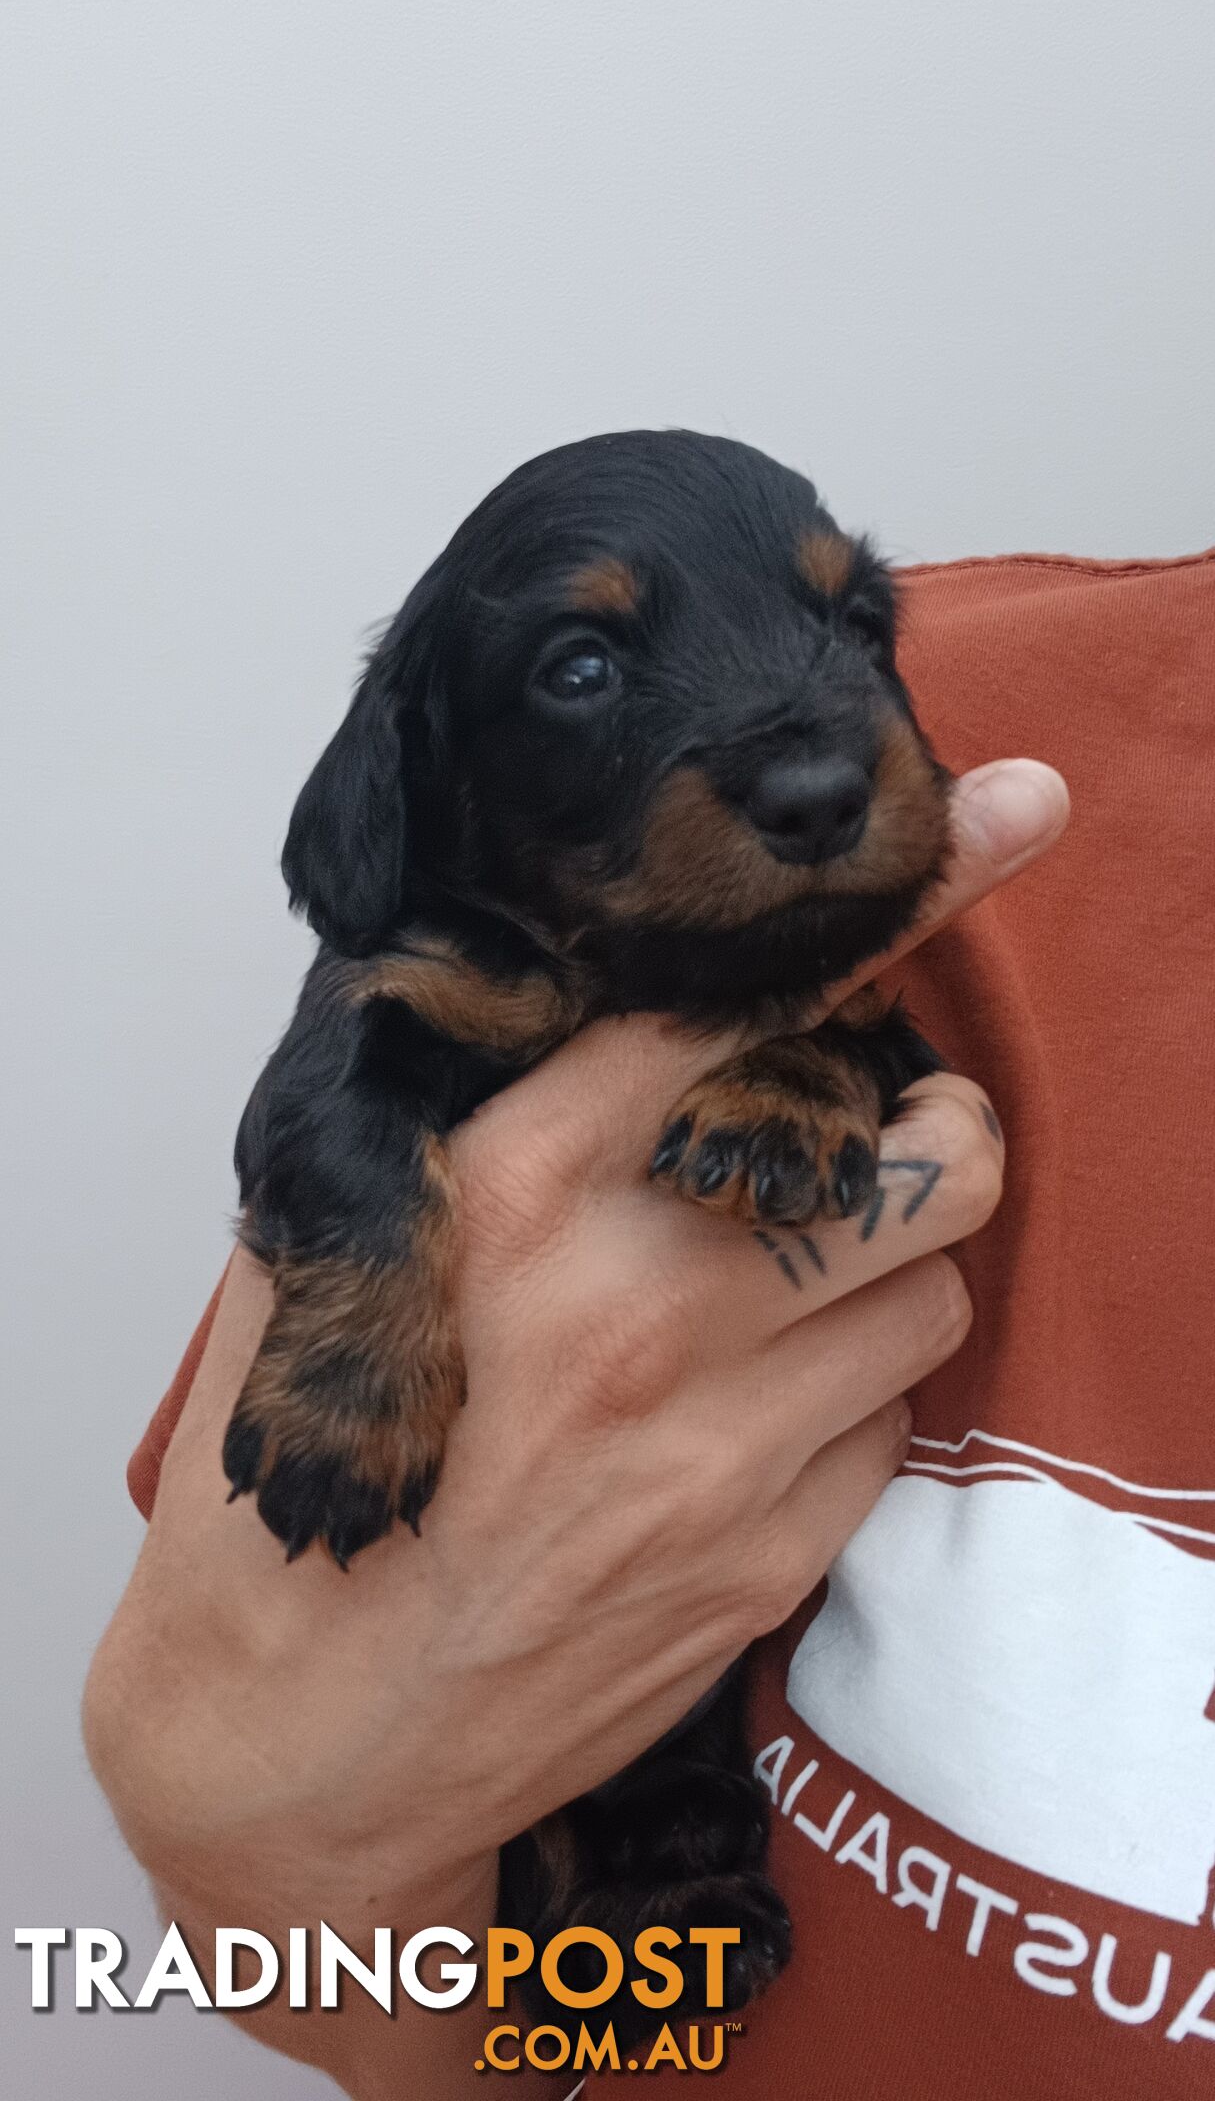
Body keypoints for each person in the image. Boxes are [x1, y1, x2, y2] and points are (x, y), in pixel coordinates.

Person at [85, 543, 1215, 2098]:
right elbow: (321, 1933)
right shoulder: (966, 705)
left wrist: (810, 1080)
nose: (814, 756)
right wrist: (248, 1829)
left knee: (682, 1859)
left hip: (688, 1796)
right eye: (584, 668)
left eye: (847, 624)